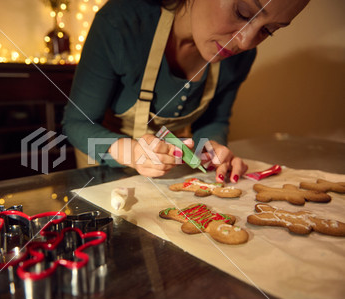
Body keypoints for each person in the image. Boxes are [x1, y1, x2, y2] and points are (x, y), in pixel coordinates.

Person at [62, 0, 310, 182]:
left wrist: (212, 147)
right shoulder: (121, 23)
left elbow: (215, 120)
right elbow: (76, 123)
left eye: (269, 30)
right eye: (243, 12)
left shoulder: (239, 59)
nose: (245, 42)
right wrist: (132, 153)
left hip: (170, 175)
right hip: (103, 169)